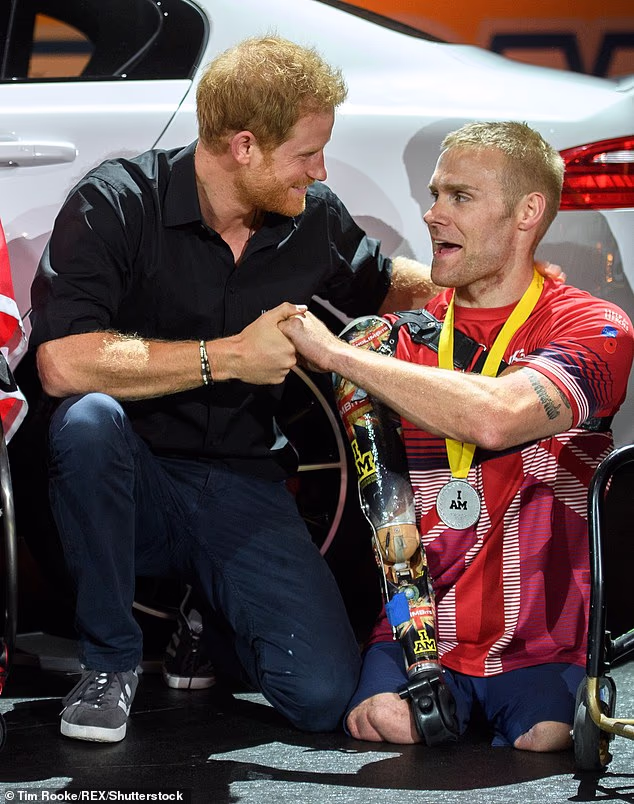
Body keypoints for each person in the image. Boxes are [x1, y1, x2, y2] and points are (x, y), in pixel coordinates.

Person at [27, 34, 474, 744]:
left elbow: (386, 283)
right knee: (87, 422)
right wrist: (226, 357)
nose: (320, 169)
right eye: (305, 153)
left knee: (325, 698)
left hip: (240, 484)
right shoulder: (116, 203)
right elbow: (63, 363)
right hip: (129, 481)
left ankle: (210, 615)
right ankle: (110, 663)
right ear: (242, 146)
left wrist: (488, 288)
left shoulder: (312, 216)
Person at [279, 121, 634, 752]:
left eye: (459, 197)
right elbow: (383, 506)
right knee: (380, 725)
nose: (432, 213)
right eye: (435, 194)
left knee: (547, 739)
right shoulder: (392, 340)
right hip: (414, 640)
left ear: (529, 212)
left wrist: (339, 358)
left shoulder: (594, 327)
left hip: (539, 645)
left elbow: (498, 416)